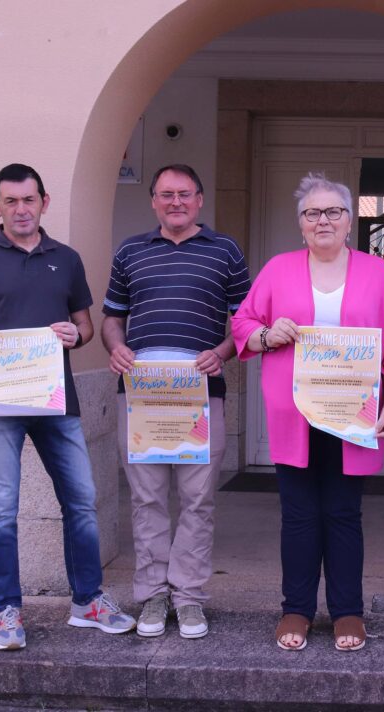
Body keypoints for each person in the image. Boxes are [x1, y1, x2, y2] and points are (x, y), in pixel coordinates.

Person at [0, 163, 135, 651]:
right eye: (10, 201)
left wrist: (77, 334)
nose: (20, 209)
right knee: (0, 510)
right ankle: (6, 612)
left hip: (56, 402)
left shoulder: (66, 259)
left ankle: (88, 601)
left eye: (28, 200)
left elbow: (85, 326)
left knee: (82, 501)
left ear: (44, 202)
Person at [231, 173, 384, 652]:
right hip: (295, 415)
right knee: (298, 515)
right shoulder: (278, 270)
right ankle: (296, 608)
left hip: (354, 416)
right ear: (301, 224)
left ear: (350, 221)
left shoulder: (378, 273)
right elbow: (243, 323)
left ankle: (348, 611)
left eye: (333, 211)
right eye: (313, 213)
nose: (323, 220)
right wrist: (267, 335)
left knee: (344, 513)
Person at [101, 164, 250, 639]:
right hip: (141, 397)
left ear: (200, 199)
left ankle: (188, 597)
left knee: (197, 501)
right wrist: (115, 347)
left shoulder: (226, 251)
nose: (176, 202)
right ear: (154, 202)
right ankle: (152, 595)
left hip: (200, 397)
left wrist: (221, 353)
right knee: (146, 499)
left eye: (184, 194)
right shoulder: (130, 251)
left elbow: (245, 321)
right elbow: (112, 318)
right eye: (166, 194)